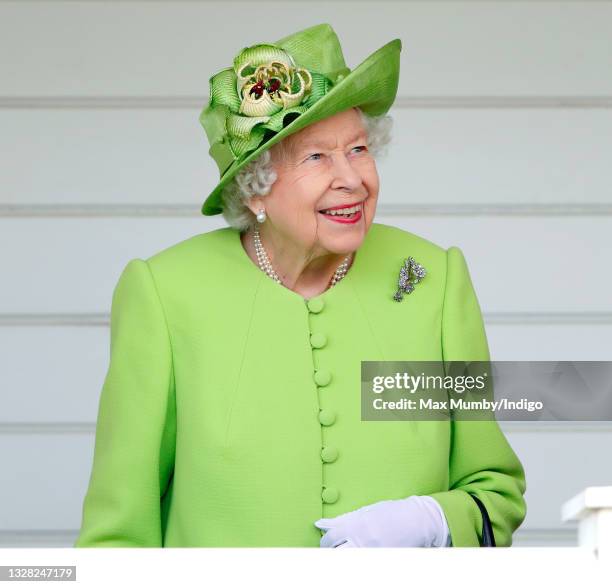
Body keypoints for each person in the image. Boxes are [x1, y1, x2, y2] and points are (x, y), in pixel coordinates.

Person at [75, 23, 526, 548]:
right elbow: (117, 540)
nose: (352, 178)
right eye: (317, 157)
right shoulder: (166, 294)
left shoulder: (431, 279)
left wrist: (434, 520)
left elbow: (495, 493)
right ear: (256, 189)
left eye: (358, 149)